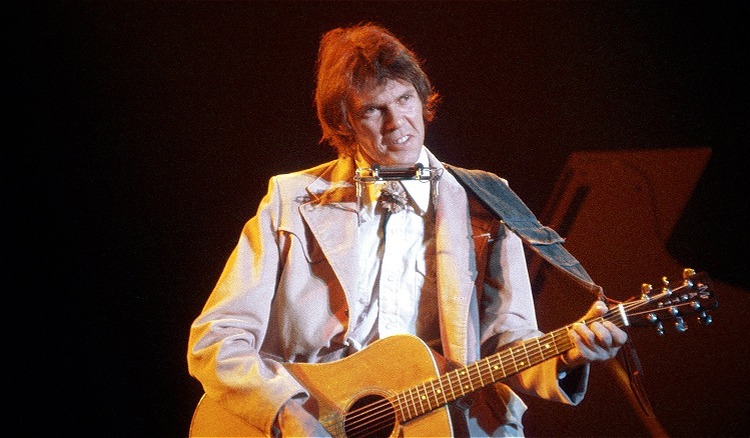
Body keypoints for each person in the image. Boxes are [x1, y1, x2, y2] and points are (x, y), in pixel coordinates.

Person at [187, 22, 628, 437]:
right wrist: (285, 413)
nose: (397, 124)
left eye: (404, 100)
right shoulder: (291, 199)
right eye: (373, 111)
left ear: (422, 99)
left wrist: (569, 354)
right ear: (344, 123)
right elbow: (217, 338)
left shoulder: (485, 202)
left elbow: (509, 343)